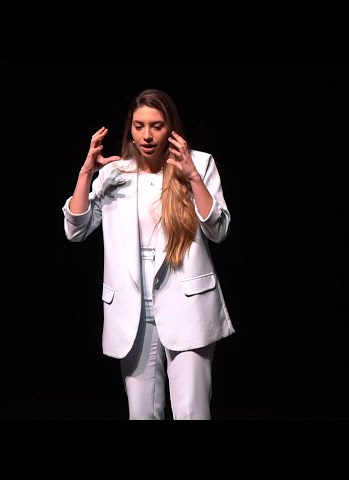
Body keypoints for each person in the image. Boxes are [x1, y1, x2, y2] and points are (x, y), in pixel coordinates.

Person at [62, 88, 234, 420]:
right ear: (130, 128)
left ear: (171, 127)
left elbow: (219, 229)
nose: (147, 135)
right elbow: (75, 230)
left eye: (156, 125)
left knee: (192, 412)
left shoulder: (199, 163)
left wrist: (192, 177)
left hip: (187, 303)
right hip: (133, 308)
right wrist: (86, 174)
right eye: (139, 126)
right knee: (141, 414)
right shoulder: (115, 173)